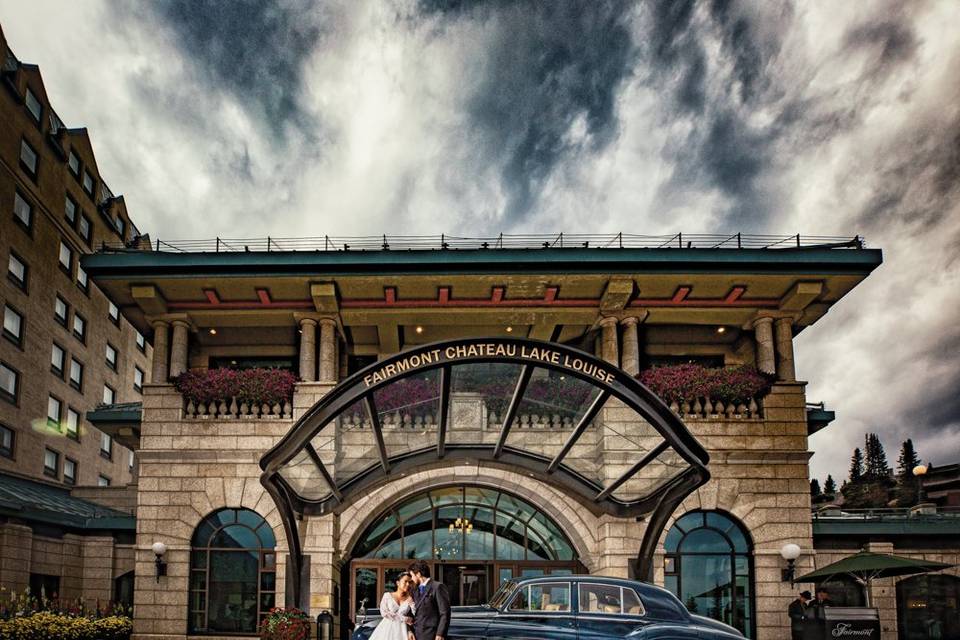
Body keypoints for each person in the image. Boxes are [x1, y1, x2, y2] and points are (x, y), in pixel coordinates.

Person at [406, 561, 451, 640]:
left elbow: (445, 613)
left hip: (432, 635)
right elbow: (409, 612)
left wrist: (440, 634)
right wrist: (409, 630)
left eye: (412, 575)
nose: (412, 579)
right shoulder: (414, 590)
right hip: (415, 634)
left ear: (418, 574)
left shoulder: (437, 587)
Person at [368, 572, 416, 640]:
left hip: (403, 630)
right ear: (398, 583)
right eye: (405, 581)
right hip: (387, 629)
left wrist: (412, 604)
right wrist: (404, 619)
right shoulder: (387, 595)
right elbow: (384, 613)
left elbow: (416, 615)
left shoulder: (410, 598)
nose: (408, 584)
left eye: (410, 582)